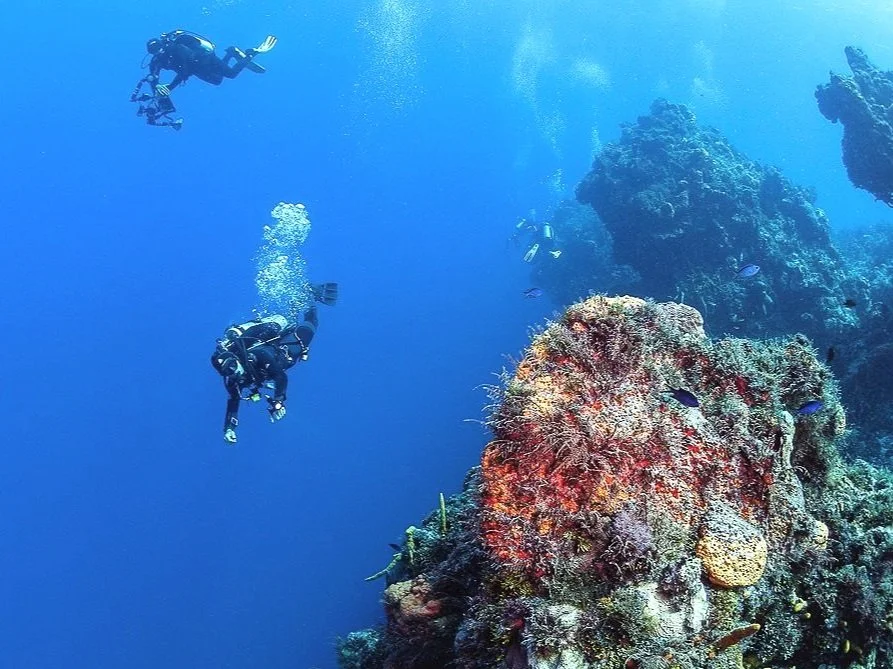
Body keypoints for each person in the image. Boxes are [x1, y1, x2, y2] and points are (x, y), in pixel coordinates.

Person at [210, 283, 338, 444]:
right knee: (293, 319)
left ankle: (309, 296)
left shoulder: (257, 354)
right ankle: (298, 300)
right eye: (229, 372)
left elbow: (280, 376)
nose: (234, 374)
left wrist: (279, 400)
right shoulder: (234, 381)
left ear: (236, 359)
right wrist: (229, 428)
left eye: (233, 368)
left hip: (288, 348)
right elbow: (233, 401)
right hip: (276, 348)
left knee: (311, 325)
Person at [144, 30, 277, 96]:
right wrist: (156, 86)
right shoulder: (156, 61)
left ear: (163, 45)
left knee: (231, 74)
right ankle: (230, 53)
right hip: (196, 70)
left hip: (204, 59)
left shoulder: (176, 48)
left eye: (159, 48)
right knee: (218, 80)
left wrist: (170, 87)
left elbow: (185, 70)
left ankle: (252, 53)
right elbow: (153, 75)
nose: (159, 52)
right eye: (155, 52)